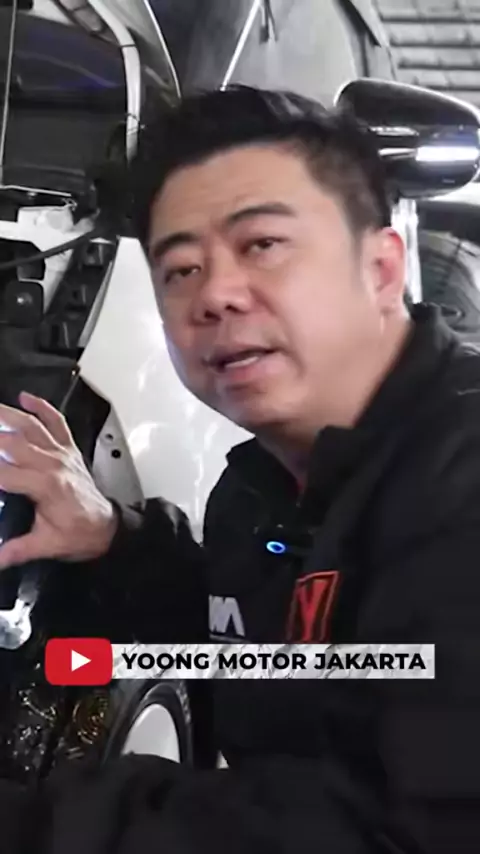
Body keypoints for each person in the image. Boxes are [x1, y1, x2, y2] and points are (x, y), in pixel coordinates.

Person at [0, 86, 478, 854]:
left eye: (263, 245)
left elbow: (407, 830)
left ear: (382, 268)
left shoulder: (459, 477)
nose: (215, 295)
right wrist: (113, 540)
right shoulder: (259, 488)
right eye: (180, 269)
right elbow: (276, 650)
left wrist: (35, 827)